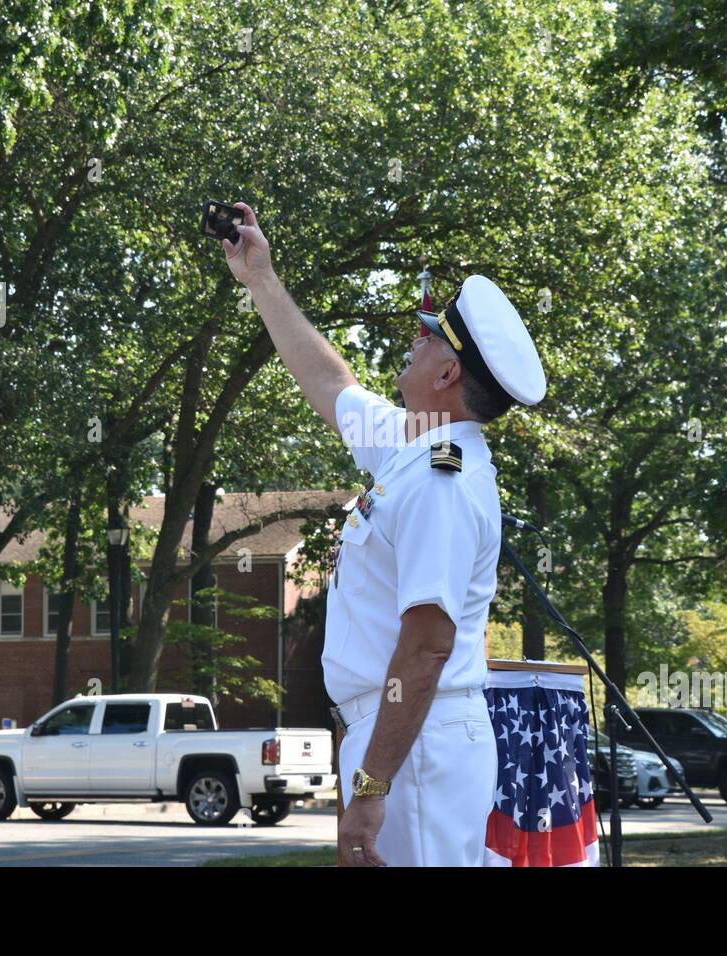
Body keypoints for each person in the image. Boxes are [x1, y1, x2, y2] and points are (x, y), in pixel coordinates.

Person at [221, 202, 546, 866]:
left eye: (430, 334)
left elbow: (426, 648)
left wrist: (372, 786)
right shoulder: (415, 445)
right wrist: (261, 280)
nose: (415, 337)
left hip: (413, 746)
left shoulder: (440, 480)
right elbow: (329, 382)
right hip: (401, 739)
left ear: (449, 374)